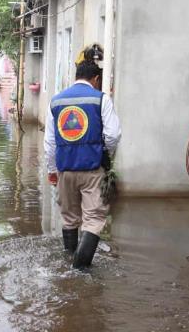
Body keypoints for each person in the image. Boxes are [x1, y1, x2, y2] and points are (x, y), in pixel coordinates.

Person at [44, 44, 121, 270]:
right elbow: (113, 135)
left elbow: (49, 142)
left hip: (65, 169)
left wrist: (52, 172)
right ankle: (78, 271)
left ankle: (68, 263)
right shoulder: (100, 99)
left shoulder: (56, 101)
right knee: (94, 219)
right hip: (92, 169)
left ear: (76, 76)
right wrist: (105, 155)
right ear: (96, 78)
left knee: (69, 218)